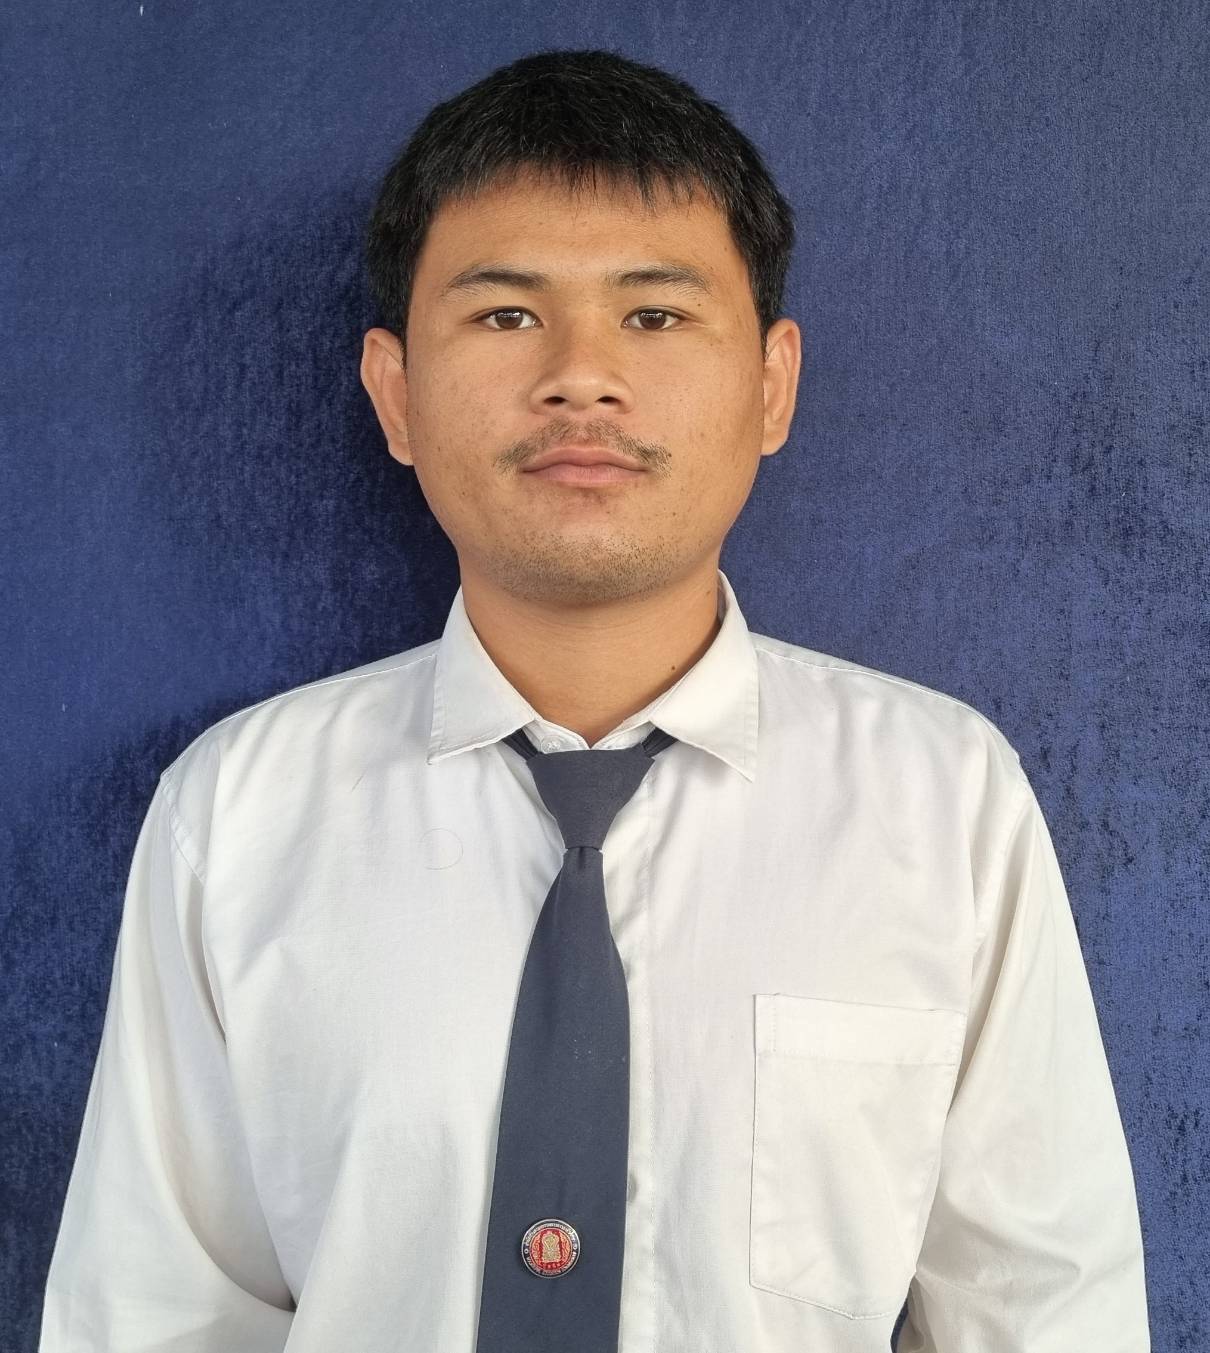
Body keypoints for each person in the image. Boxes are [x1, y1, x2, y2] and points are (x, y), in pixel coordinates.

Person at [39, 47, 1150, 1353]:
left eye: (655, 315)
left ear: (772, 385)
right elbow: (152, 1318)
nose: (580, 376)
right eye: (506, 316)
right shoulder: (238, 812)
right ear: (395, 395)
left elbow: (1043, 1314)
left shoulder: (944, 801)